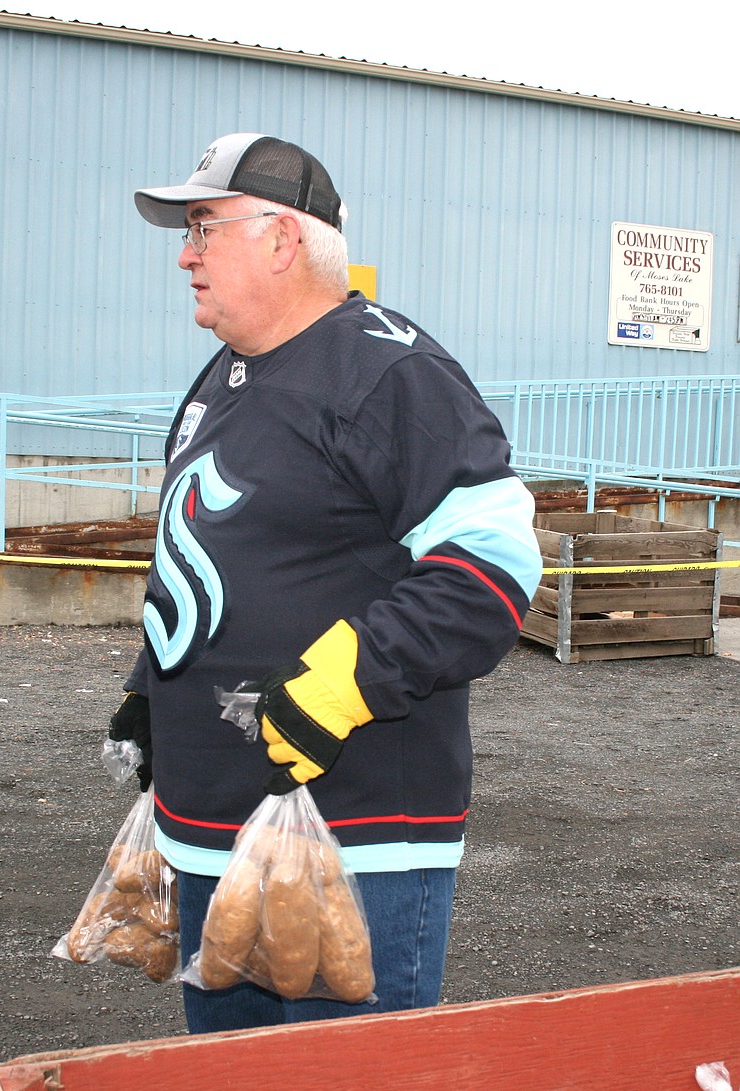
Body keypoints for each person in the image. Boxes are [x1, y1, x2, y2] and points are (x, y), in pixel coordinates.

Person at [109, 132, 542, 1035]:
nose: (184, 254)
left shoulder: (390, 373)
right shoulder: (226, 375)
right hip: (212, 834)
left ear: (281, 238)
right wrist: (152, 692)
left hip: (349, 845)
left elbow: (494, 566)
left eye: (203, 227)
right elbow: (207, 549)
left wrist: (352, 677)